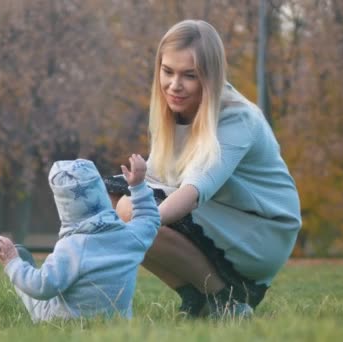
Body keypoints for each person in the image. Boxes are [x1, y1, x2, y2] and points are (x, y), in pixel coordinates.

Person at [105, 20, 301, 319]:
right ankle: (197, 298)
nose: (174, 85)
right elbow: (158, 177)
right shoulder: (174, 110)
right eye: (168, 71)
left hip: (261, 227)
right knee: (112, 202)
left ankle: (227, 301)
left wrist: (140, 224)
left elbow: (194, 190)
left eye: (190, 75)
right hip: (217, 212)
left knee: (133, 214)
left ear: (210, 76)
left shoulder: (236, 117)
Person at [0, 155, 160, 322]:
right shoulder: (130, 236)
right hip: (116, 322)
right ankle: (24, 269)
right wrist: (138, 186)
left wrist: (12, 263)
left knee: (38, 302)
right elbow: (149, 219)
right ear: (101, 192)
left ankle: (22, 268)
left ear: (64, 207)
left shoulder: (72, 247)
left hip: (63, 321)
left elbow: (42, 287)